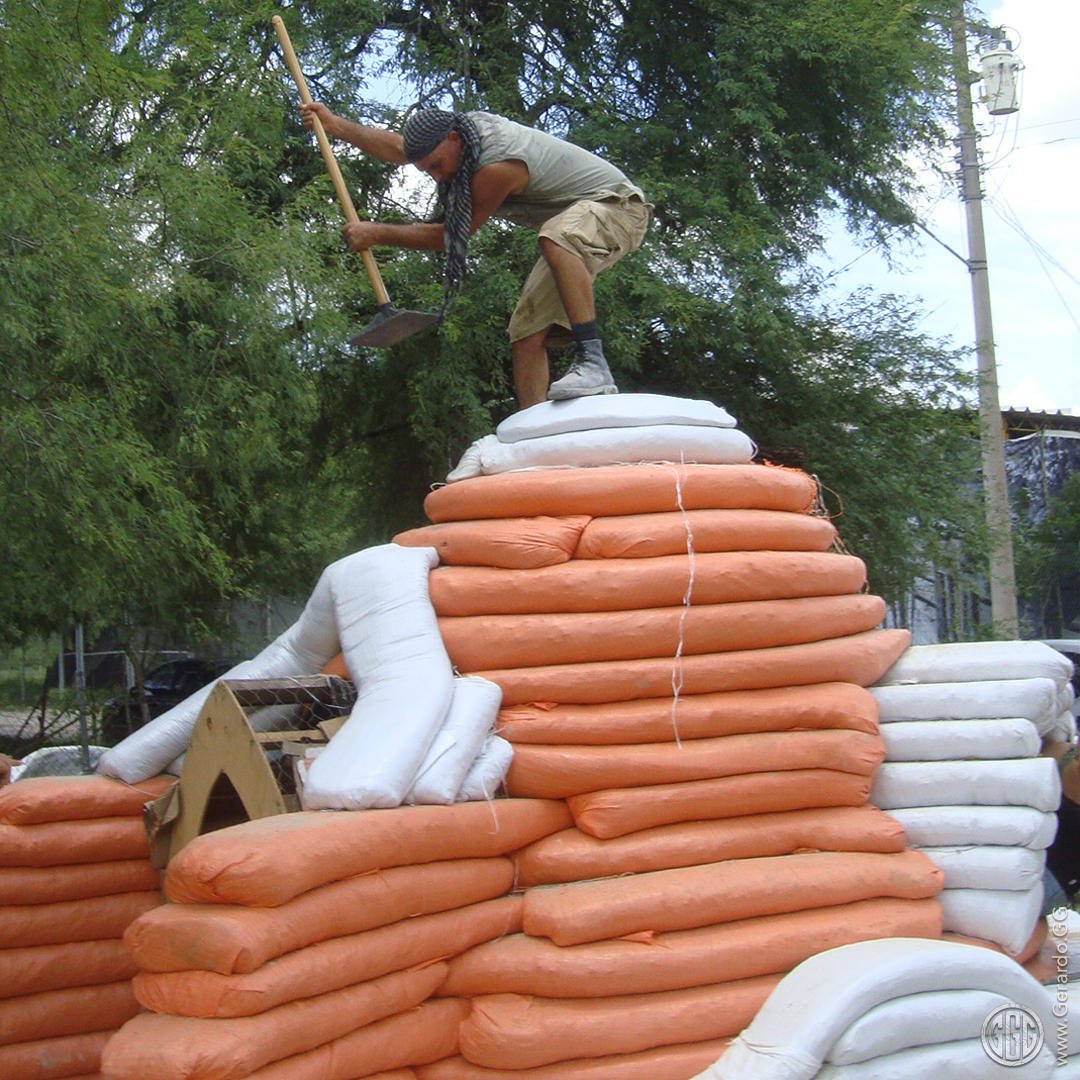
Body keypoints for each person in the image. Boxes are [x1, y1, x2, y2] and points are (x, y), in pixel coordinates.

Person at [300, 102, 650, 409]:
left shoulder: (497, 165)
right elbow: (397, 147)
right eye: (427, 170)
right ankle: (532, 434)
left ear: (453, 139)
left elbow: (452, 237)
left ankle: (593, 362)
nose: (437, 176)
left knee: (557, 238)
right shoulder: (456, 136)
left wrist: (377, 233)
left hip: (619, 209)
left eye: (437, 165)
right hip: (573, 224)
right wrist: (336, 126)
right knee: (526, 330)